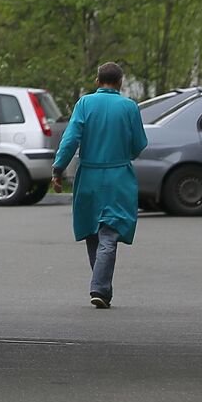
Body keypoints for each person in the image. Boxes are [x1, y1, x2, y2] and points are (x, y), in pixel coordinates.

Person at [51, 62, 148, 308]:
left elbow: (71, 138)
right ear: (121, 82)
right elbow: (139, 143)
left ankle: (100, 285)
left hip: (89, 176)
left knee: (93, 232)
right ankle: (100, 287)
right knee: (110, 233)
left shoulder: (85, 104)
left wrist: (58, 169)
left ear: (97, 81)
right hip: (118, 177)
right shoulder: (129, 107)